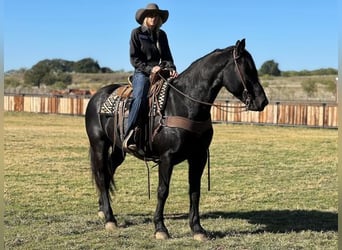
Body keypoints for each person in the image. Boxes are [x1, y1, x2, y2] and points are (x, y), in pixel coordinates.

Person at [123, 3, 178, 152]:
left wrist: (171, 68)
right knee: (140, 97)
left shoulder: (162, 35)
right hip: (142, 73)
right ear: (145, 18)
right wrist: (149, 68)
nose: (153, 18)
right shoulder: (137, 33)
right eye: (150, 15)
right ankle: (131, 134)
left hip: (160, 72)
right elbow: (134, 59)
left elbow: (167, 56)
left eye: (156, 16)